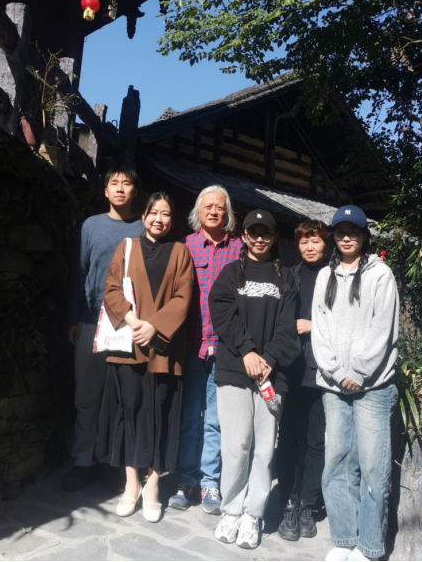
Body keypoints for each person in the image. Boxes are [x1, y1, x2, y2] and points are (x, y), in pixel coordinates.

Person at [98, 192, 195, 523]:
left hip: (164, 349)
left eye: (165, 214)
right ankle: (132, 483)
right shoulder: (126, 248)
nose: (159, 219)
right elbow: (111, 288)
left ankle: (153, 484)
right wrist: (132, 321)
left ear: (172, 220)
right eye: (153, 213)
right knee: (130, 412)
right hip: (130, 347)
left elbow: (184, 296)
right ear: (143, 217)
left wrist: (154, 327)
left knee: (161, 413)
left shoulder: (180, 252)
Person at [209, 210, 301, 550]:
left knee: (263, 449)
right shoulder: (230, 273)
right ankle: (231, 510)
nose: (260, 239)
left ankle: (253, 514)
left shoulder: (286, 278)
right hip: (234, 370)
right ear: (244, 236)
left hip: (272, 376)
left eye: (266, 233)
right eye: (254, 232)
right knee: (236, 446)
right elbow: (222, 314)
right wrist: (247, 351)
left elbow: (288, 327)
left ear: (274, 237)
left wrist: (269, 360)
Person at [311, 205, 399, 562]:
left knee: (373, 467)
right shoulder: (325, 276)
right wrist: (335, 371)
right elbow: (319, 329)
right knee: (337, 463)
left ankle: (369, 546)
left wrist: (359, 372)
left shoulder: (381, 275)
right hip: (334, 386)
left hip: (373, 387)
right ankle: (344, 538)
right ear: (333, 236)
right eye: (340, 232)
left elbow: (383, 329)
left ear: (365, 236)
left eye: (353, 231)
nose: (346, 237)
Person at [62, 165, 145, 492]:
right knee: (87, 393)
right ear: (105, 190)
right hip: (90, 318)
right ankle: (83, 460)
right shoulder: (91, 226)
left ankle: (113, 461)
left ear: (135, 191)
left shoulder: (143, 227)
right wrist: (73, 317)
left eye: (127, 183)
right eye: (114, 183)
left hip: (129, 320)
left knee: (122, 395)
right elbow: (79, 272)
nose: (121, 188)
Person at [168, 185, 242, 515]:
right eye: (208, 206)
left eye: (220, 207)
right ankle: (185, 480)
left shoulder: (239, 249)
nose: (213, 211)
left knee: (215, 421)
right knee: (188, 418)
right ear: (198, 211)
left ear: (228, 215)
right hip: (191, 346)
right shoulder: (184, 247)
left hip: (224, 348)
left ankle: (210, 482)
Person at [278, 219, 329, 542]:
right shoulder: (289, 276)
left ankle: (308, 504)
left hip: (323, 371)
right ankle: (289, 500)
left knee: (316, 441)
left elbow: (347, 322)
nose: (309, 247)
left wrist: (314, 326)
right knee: (288, 438)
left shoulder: (336, 276)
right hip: (292, 369)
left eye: (315, 241)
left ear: (326, 244)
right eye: (304, 242)